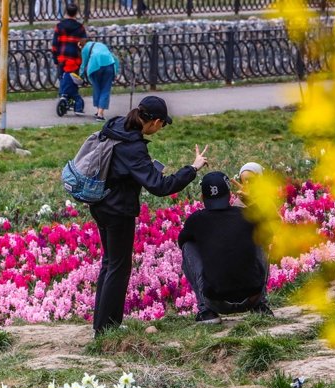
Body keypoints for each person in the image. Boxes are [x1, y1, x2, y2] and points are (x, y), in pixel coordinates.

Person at [91, 96, 208, 336]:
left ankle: (103, 324)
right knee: (118, 267)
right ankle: (106, 329)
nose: (160, 128)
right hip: (118, 209)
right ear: (154, 122)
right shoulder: (133, 147)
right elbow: (160, 186)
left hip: (101, 202)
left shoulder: (117, 125)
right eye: (162, 124)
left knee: (109, 263)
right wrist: (192, 168)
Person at [178, 171, 273, 325]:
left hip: (216, 302)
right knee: (261, 237)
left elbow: (181, 243)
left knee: (188, 245)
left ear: (202, 197)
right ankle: (261, 305)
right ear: (230, 195)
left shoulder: (196, 220)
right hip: (252, 298)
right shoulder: (247, 214)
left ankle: (206, 312)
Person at [51, 3, 86, 115]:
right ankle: (74, 103)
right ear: (76, 13)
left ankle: (64, 98)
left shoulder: (59, 26)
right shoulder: (80, 28)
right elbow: (83, 45)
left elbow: (54, 45)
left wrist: (55, 59)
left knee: (63, 80)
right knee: (73, 81)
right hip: (75, 60)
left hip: (62, 59)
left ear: (66, 12)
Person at [79, 39, 119, 122]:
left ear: (82, 44)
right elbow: (115, 59)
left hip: (95, 67)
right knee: (105, 90)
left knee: (97, 89)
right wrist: (116, 72)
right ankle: (100, 114)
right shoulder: (101, 45)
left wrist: (81, 75)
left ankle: (98, 112)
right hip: (109, 66)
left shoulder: (85, 48)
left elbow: (84, 64)